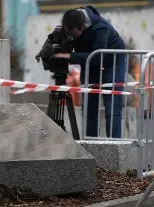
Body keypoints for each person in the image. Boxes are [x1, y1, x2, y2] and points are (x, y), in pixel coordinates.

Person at [52, 5, 126, 138]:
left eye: (74, 35)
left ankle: (115, 148)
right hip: (89, 62)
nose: (71, 38)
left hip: (112, 62)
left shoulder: (100, 28)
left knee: (112, 108)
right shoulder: (70, 25)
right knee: (89, 108)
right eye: (68, 34)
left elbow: (98, 57)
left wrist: (70, 56)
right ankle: (91, 145)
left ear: (82, 28)